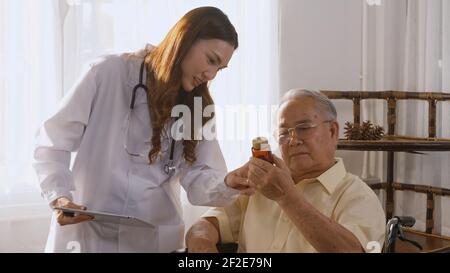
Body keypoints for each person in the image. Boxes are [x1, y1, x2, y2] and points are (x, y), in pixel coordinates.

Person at [33, 6, 250, 253]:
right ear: (184, 40)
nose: (210, 74)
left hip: (152, 239)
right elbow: (52, 142)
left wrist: (230, 182)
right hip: (87, 234)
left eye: (219, 69)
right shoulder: (107, 73)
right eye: (211, 60)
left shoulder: (199, 109)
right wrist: (59, 196)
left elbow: (199, 179)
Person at [186, 89, 386, 253]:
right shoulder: (259, 188)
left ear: (332, 131)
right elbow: (203, 227)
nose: (293, 140)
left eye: (304, 128)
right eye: (283, 133)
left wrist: (286, 197)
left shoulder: (357, 196)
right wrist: (203, 246)